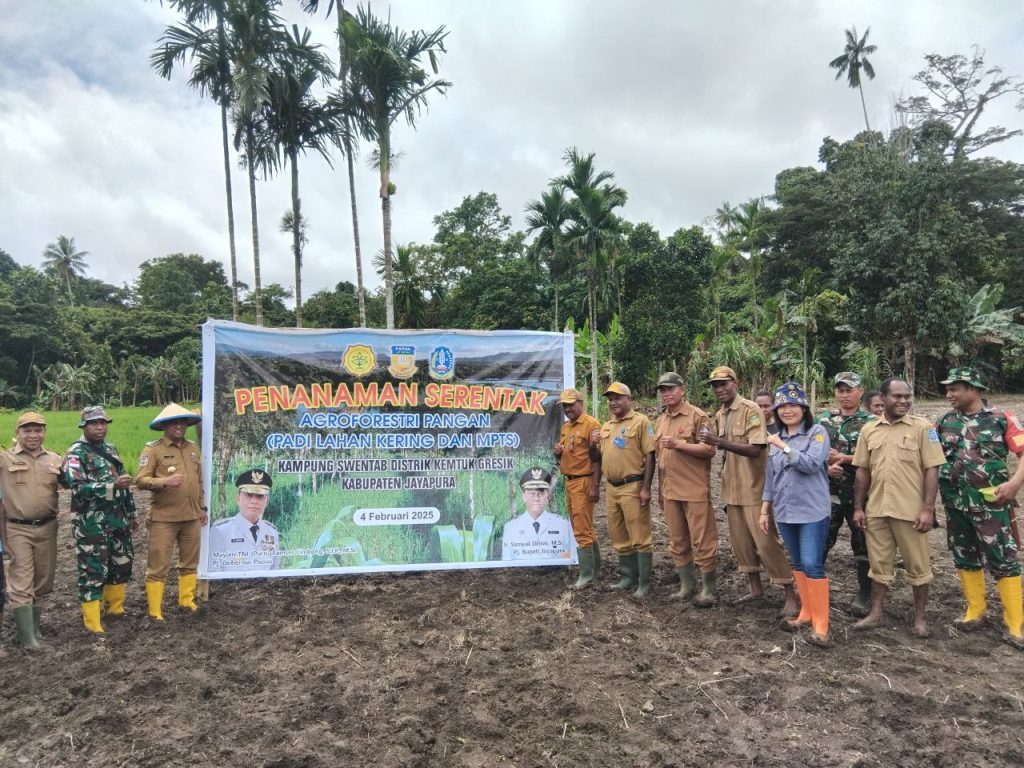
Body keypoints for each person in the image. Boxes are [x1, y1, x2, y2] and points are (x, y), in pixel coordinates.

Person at [935, 367, 1024, 650]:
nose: (949, 394)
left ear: (973, 389)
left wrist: (1014, 484)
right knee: (964, 555)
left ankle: (1015, 623)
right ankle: (976, 610)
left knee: (1003, 558)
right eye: (948, 389)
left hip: (991, 504)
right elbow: (930, 458)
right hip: (955, 504)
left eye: (954, 389)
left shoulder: (1001, 418)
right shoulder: (944, 421)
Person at [852, 377, 945, 638]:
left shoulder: (923, 428)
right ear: (883, 398)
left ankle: (919, 619)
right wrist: (858, 507)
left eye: (907, 396)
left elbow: (932, 470)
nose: (904, 401)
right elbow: (862, 470)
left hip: (910, 511)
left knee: (918, 566)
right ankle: (876, 613)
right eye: (897, 396)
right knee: (879, 565)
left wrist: (927, 508)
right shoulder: (869, 430)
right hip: (877, 509)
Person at [700, 366, 797, 614]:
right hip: (732, 490)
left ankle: (789, 593)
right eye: (715, 385)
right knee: (741, 543)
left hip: (754, 489)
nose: (719, 389)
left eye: (724, 383)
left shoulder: (751, 410)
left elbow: (755, 448)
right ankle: (755, 589)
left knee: (766, 543)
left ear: (736, 383)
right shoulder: (720, 414)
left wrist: (719, 442)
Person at [760, 383, 833, 646]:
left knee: (812, 563)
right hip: (785, 510)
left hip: (812, 510)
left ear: (804, 408)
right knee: (798, 564)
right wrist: (764, 510)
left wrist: (784, 446)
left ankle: (821, 625)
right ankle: (806, 613)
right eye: (782, 407)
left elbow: (812, 465)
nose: (787, 411)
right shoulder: (776, 440)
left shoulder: (817, 433)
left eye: (793, 405)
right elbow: (771, 479)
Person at [61, 406, 138, 634]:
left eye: (103, 423)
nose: (99, 427)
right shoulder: (76, 452)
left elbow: (124, 486)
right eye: (94, 423)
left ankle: (115, 610)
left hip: (118, 519)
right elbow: (77, 488)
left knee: (121, 564)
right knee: (93, 571)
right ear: (84, 426)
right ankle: (93, 623)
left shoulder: (110, 449)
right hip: (91, 525)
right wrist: (111, 486)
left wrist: (131, 514)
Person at [135, 403, 206, 621]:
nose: (179, 426)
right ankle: (155, 611)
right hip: (164, 518)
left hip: (191, 516)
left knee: (190, 562)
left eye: (182, 422)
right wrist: (164, 482)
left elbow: (199, 481)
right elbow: (141, 480)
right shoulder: (153, 450)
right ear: (164, 426)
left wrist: (202, 507)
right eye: (174, 422)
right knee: (158, 565)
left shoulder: (193, 448)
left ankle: (187, 601)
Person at [654, 372, 718, 605]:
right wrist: (660, 490)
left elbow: (709, 449)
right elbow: (661, 459)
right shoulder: (661, 421)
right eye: (663, 390)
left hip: (693, 489)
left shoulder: (697, 416)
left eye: (671, 389)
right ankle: (686, 586)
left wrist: (679, 445)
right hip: (670, 491)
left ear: (682, 390)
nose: (666, 394)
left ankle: (708, 589)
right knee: (677, 540)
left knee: (703, 540)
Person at [0, 412, 62, 650]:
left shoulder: (55, 459)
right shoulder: (5, 459)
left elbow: (74, 484)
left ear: (44, 432)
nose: (33, 435)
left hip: (48, 527)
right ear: (17, 432)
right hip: (17, 529)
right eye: (27, 430)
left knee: (43, 580)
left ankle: (35, 630)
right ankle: (28, 640)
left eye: (38, 430)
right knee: (22, 582)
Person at [588, 382, 656, 597]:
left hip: (633, 485)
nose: (613, 402)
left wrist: (646, 488)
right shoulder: (606, 426)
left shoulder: (641, 422)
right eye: (610, 399)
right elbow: (596, 458)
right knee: (618, 534)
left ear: (629, 399)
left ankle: (644, 582)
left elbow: (650, 455)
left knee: (640, 535)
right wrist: (592, 445)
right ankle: (627, 577)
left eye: (617, 398)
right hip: (612, 487)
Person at [816, 371, 875, 616]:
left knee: (862, 543)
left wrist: (846, 458)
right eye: (840, 390)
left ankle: (864, 593)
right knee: (821, 541)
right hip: (827, 493)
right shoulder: (823, 420)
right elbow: (810, 450)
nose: (844, 395)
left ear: (860, 391)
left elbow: (877, 456)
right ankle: (814, 590)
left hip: (859, 495)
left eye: (849, 390)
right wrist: (826, 464)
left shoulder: (871, 423)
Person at [553, 389, 601, 587]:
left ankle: (586, 575)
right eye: (565, 406)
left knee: (581, 529)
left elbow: (598, 459)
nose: (567, 409)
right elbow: (566, 454)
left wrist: (595, 486)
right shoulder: (566, 427)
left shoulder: (591, 425)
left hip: (584, 481)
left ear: (581, 403)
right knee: (582, 526)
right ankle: (596, 570)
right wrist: (557, 452)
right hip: (570, 482)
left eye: (571, 404)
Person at [209, 469, 280, 571]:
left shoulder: (271, 532)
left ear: (267, 502)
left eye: (260, 496)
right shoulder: (221, 531)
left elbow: (274, 569)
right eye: (248, 495)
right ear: (237, 499)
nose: (254, 501)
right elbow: (213, 570)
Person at [501, 467, 575, 561]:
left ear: (547, 496)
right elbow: (507, 563)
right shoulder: (510, 528)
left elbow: (571, 559)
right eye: (532, 493)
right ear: (523, 496)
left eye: (541, 493)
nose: (536, 498)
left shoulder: (563, 526)